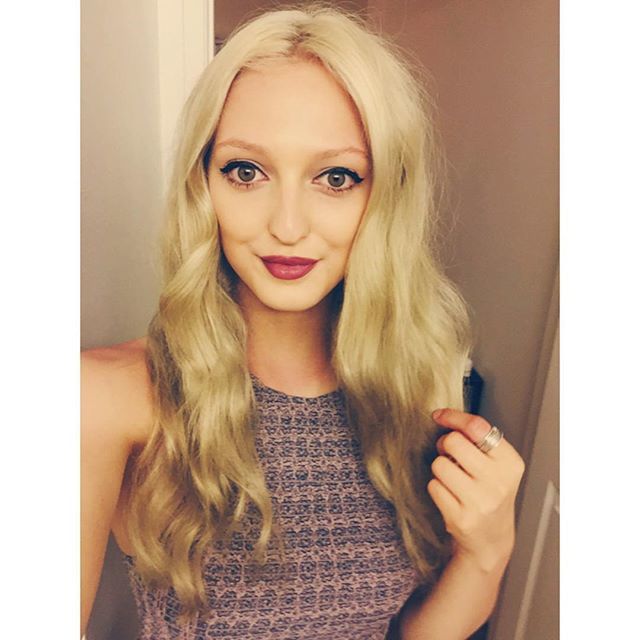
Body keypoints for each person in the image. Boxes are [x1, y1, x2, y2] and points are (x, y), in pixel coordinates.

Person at [81, 4, 525, 639]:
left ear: (385, 194)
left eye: (336, 177)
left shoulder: (416, 384)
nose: (287, 225)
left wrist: (489, 549)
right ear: (203, 184)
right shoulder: (110, 399)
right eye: (246, 171)